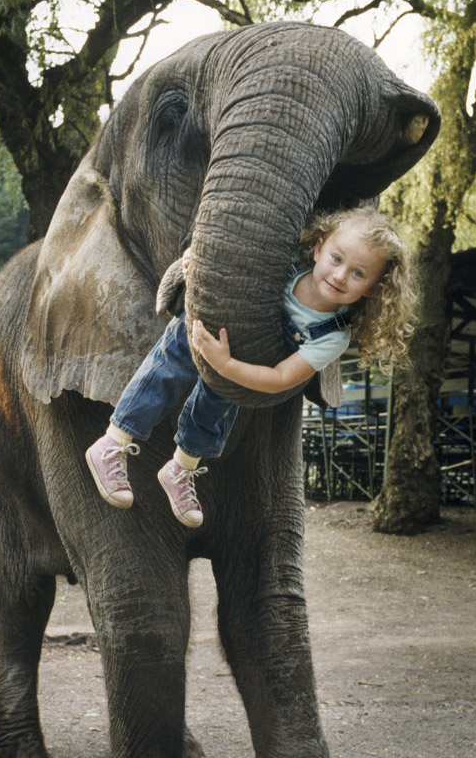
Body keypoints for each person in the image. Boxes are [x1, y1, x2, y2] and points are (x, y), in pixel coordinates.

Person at [85, 206, 414, 528]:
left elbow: (281, 378)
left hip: (245, 366)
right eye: (336, 259)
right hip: (216, 326)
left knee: (218, 405)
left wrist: (226, 366)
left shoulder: (334, 336)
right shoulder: (283, 263)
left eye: (358, 273)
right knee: (171, 365)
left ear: (373, 288)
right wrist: (194, 263)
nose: (340, 275)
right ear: (318, 249)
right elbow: (230, 256)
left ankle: (181, 469)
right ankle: (113, 442)